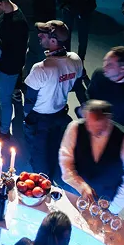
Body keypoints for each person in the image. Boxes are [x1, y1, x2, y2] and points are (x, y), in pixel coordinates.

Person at [22, 21, 84, 178]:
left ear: (53, 41)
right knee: (54, 146)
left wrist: (27, 116)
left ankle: (41, 180)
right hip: (60, 113)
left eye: (43, 34)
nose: (39, 35)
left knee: (39, 152)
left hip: (40, 118)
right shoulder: (75, 59)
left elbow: (30, 99)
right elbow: (78, 86)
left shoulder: (41, 68)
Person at [59, 100, 124, 215]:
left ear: (108, 119)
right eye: (89, 124)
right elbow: (65, 161)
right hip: (76, 192)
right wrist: (80, 185)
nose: (92, 130)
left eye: (98, 125)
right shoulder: (75, 128)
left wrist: (113, 209)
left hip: (107, 201)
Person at [0, 0, 30, 137]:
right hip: (3, 65)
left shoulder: (17, 23)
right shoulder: (7, 14)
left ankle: (3, 132)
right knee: (1, 97)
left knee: (5, 101)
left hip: (8, 68)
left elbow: (13, 49)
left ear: (0, 3)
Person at [89, 47, 124, 136]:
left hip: (115, 136)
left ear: (123, 69)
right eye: (104, 61)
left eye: (110, 65)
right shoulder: (99, 74)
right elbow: (89, 95)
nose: (104, 67)